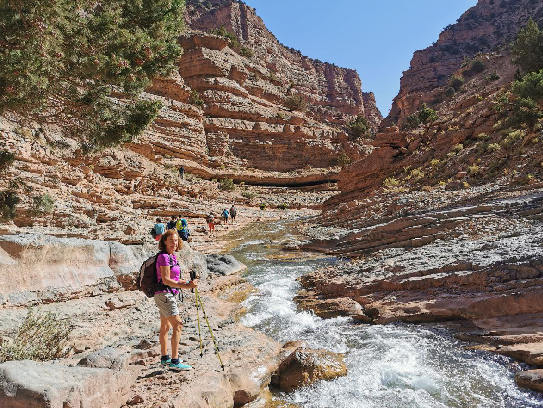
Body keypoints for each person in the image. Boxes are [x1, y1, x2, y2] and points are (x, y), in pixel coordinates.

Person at [155, 229, 198, 371]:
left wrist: (186, 283)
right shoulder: (163, 257)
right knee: (178, 325)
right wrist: (185, 286)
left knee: (166, 327)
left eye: (175, 240)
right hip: (164, 294)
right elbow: (166, 280)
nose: (174, 243)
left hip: (166, 294)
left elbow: (172, 278)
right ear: (164, 242)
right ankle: (174, 361)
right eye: (171, 240)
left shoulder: (172, 256)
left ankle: (164, 358)